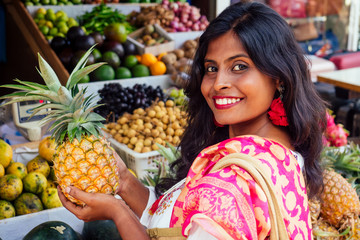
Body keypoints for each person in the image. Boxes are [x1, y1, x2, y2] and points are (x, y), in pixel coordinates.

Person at [58, 1, 327, 239]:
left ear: (278, 76)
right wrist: (125, 182)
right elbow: (177, 227)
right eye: (211, 68)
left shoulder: (231, 186)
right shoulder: (281, 151)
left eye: (239, 67)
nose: (218, 83)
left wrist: (118, 212)